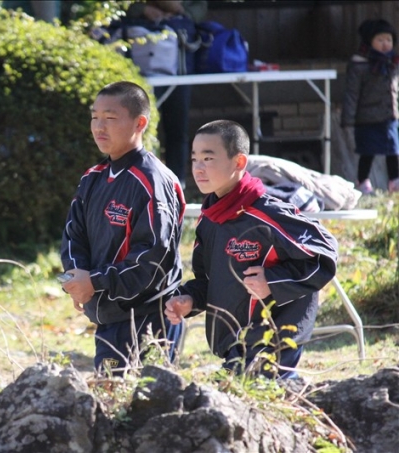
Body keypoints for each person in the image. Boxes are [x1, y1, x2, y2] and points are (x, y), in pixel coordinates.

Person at [164, 120, 339, 379]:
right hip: (235, 346)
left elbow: (324, 255)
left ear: (239, 162)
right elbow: (208, 282)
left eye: (208, 158)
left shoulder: (268, 213)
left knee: (267, 395)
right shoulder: (209, 220)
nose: (198, 168)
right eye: (194, 159)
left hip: (275, 341)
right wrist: (189, 300)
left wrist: (273, 281)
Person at [60, 81, 186, 375]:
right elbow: (73, 236)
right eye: (95, 117)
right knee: (109, 392)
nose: (99, 126)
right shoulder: (93, 177)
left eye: (110, 118)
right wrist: (77, 280)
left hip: (149, 318)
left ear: (140, 123)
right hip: (108, 315)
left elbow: (154, 259)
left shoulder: (153, 181)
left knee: (144, 397)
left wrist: (95, 282)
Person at [126, 1, 208, 189]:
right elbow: (125, 8)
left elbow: (199, 10)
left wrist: (180, 11)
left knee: (177, 131)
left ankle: (177, 186)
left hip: (180, 70)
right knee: (144, 129)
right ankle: (143, 184)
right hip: (145, 71)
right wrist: (144, 10)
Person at [341, 19, 399, 194]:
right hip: (366, 117)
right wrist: (348, 120)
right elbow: (351, 94)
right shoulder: (360, 65)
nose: (385, 44)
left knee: (393, 150)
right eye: (380, 40)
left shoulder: (393, 63)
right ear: (369, 41)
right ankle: (363, 181)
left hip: (389, 116)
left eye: (388, 40)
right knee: (368, 151)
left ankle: (395, 181)